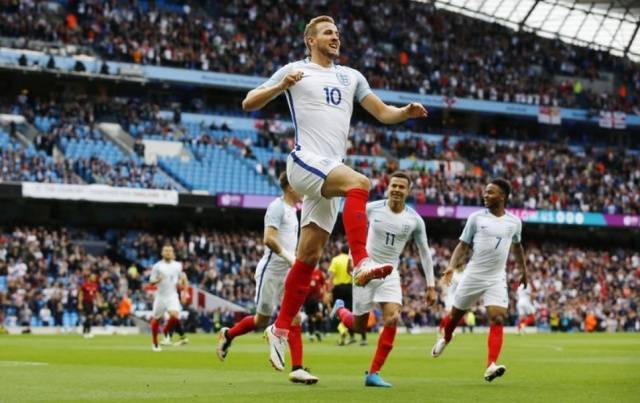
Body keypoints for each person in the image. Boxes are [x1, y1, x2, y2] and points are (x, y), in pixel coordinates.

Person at [241, 15, 428, 371]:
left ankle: (279, 330)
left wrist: (405, 111)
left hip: (329, 172)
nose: (335, 37)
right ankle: (362, 261)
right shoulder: (295, 70)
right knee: (361, 183)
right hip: (305, 162)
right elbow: (249, 102)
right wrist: (280, 86)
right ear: (310, 40)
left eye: (338, 33)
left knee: (308, 258)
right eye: (328, 32)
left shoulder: (351, 76)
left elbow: (382, 112)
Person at [331, 172, 437, 387]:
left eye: (401, 187)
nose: (396, 190)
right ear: (388, 187)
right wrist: (352, 257)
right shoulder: (371, 208)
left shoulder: (415, 220)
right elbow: (354, 230)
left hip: (390, 272)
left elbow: (425, 253)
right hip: (366, 268)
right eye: (393, 186)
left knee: (392, 318)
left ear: (408, 191)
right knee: (359, 327)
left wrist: (431, 286)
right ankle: (341, 310)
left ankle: (373, 373)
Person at [216, 173, 318, 384]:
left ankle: (297, 368)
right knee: (261, 320)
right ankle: (229, 335)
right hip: (270, 272)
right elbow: (268, 239)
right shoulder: (276, 207)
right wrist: (291, 258)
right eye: (299, 185)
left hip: (287, 271)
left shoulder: (293, 211)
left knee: (295, 317)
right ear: (291, 186)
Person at [431, 178, 528, 383]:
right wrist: (451, 266)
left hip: (496, 277)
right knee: (455, 317)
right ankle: (446, 338)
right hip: (473, 275)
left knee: (498, 318)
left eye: (490, 192)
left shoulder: (514, 222)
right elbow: (462, 245)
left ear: (502, 196)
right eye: (485, 191)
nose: (485, 195)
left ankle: (491, 365)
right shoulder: (476, 218)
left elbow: (517, 247)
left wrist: (524, 271)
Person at [149, 245, 189, 351]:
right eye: (166, 251)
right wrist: (157, 280)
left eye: (170, 251)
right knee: (156, 319)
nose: (168, 252)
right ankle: (155, 343)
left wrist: (184, 294)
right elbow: (151, 281)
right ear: (162, 253)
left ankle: (166, 332)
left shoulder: (178, 265)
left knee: (175, 316)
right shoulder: (157, 266)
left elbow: (183, 279)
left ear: (173, 253)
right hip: (160, 296)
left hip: (172, 295)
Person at [328, 245, 362, 345]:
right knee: (350, 311)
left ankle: (343, 332)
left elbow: (331, 277)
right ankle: (352, 336)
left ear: (340, 250)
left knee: (339, 311)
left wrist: (329, 291)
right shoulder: (351, 260)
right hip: (350, 288)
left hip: (338, 288)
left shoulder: (335, 260)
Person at [304, 265, 327, 342]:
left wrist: (324, 294)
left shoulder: (319, 273)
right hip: (307, 298)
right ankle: (311, 334)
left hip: (317, 298)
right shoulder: (305, 271)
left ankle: (317, 330)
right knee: (310, 316)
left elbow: (323, 284)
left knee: (319, 315)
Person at [78, 273, 100, 338]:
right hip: (85, 302)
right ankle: (88, 331)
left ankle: (85, 331)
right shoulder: (84, 285)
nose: (94, 278)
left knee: (90, 317)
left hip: (91, 302)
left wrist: (98, 301)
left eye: (95, 277)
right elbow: (80, 294)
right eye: (93, 277)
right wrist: (80, 303)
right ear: (89, 278)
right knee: (90, 316)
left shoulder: (95, 285)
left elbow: (96, 294)